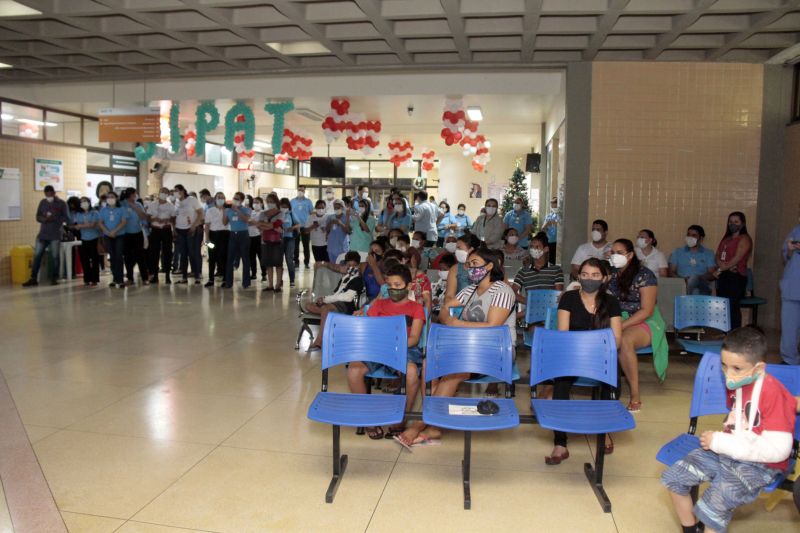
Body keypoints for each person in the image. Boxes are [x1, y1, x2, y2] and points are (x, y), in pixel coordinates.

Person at [662, 327, 795, 533]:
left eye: (736, 368)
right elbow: (739, 421)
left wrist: (720, 442)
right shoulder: (738, 383)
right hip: (730, 451)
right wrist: (721, 440)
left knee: (712, 507)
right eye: (724, 366)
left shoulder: (773, 394)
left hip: (762, 465)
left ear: (759, 368)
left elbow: (778, 450)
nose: (728, 375)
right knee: (674, 478)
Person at [397, 247, 516, 447]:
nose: (470, 268)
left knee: (454, 371)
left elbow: (492, 328)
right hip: (467, 347)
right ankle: (434, 427)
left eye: (475, 264)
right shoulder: (469, 290)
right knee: (428, 365)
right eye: (469, 265)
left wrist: (456, 323)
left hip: (496, 349)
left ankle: (420, 424)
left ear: (489, 266)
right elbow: (444, 312)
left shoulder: (503, 290)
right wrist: (450, 320)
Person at [547, 258, 622, 465]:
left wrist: (595, 349)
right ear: (579, 276)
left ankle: (603, 431)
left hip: (601, 355)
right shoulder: (569, 298)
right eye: (585, 275)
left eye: (595, 275)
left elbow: (616, 340)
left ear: (604, 278)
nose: (589, 279)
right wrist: (583, 348)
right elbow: (563, 333)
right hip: (572, 353)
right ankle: (560, 443)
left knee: (612, 381)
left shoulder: (611, 302)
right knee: (561, 387)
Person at [352, 262, 425, 440]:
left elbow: (414, 338)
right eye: (389, 286)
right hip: (378, 348)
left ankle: (400, 419)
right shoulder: (379, 305)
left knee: (412, 372)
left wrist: (394, 344)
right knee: (354, 369)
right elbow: (369, 330)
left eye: (398, 285)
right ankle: (369, 420)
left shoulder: (416, 308)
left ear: (408, 286)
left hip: (405, 349)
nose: (393, 289)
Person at [607, 238, 667, 413]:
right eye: (612, 252)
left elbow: (647, 310)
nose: (615, 256)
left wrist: (621, 326)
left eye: (619, 253)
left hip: (645, 321)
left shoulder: (645, 275)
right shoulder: (611, 273)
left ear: (630, 255)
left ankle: (635, 395)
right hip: (617, 318)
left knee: (624, 340)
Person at [307, 251, 366, 352]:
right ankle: (326, 314)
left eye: (354, 265)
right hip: (336, 303)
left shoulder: (358, 279)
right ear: (345, 265)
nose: (351, 267)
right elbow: (336, 294)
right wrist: (323, 299)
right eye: (349, 265)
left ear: (358, 266)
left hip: (347, 305)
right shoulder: (346, 277)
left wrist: (326, 300)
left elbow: (347, 297)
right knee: (308, 305)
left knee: (325, 309)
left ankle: (319, 341)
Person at [23, 185, 70, 287]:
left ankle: (54, 278)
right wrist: (44, 219)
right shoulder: (43, 202)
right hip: (42, 234)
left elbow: (67, 218)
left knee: (55, 257)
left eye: (50, 195)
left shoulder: (62, 204)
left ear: (54, 193)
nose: (48, 197)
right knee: (37, 256)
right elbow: (37, 216)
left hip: (55, 235)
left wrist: (55, 218)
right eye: (46, 195)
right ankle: (33, 278)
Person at [714, 211, 753, 330]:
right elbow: (718, 254)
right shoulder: (726, 238)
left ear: (742, 223)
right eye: (730, 222)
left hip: (736, 277)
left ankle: (734, 333)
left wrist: (721, 268)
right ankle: (723, 332)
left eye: (736, 222)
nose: (732, 224)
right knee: (722, 306)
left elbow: (737, 258)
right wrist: (720, 264)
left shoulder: (745, 239)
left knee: (732, 307)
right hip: (724, 276)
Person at [668, 225, 717, 295]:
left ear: (701, 239)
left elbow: (712, 274)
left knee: (695, 280)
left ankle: (687, 293)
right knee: (695, 291)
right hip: (682, 282)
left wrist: (697, 278)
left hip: (701, 284)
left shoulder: (708, 253)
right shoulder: (677, 252)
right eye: (688, 235)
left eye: (694, 235)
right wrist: (683, 280)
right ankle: (688, 291)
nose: (690, 237)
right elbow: (671, 272)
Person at [173, 184, 204, 285]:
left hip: (191, 230)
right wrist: (174, 229)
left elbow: (200, 213)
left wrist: (194, 225)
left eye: (177, 190)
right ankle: (184, 277)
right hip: (180, 230)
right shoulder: (177, 202)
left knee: (193, 253)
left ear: (182, 191)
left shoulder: (191, 200)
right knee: (183, 254)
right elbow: (175, 216)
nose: (175, 192)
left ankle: (197, 276)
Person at [145, 187, 176, 284]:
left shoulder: (171, 206)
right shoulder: (152, 204)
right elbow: (148, 218)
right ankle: (155, 275)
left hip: (166, 230)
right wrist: (154, 219)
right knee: (154, 253)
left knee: (167, 252)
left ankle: (167, 275)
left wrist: (168, 221)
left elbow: (173, 218)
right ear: (158, 193)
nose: (163, 194)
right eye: (162, 192)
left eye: (166, 192)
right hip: (155, 230)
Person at [98, 191, 127, 288]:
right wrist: (107, 232)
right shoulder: (103, 210)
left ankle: (121, 279)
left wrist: (114, 231)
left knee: (119, 256)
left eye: (112, 197)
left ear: (116, 198)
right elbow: (100, 223)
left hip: (119, 235)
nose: (110, 199)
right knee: (113, 257)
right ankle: (115, 278)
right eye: (108, 197)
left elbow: (123, 222)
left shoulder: (121, 209)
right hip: (108, 236)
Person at [223, 192, 252, 289]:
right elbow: (225, 223)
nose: (235, 200)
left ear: (242, 200)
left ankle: (246, 282)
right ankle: (228, 282)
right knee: (230, 258)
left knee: (245, 258)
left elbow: (246, 220)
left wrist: (238, 210)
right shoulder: (229, 210)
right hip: (233, 234)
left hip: (243, 234)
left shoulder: (246, 209)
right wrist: (224, 213)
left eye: (238, 199)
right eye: (234, 198)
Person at [780, 222, 800, 365]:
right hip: (792, 287)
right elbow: (785, 254)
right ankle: (789, 361)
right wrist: (790, 248)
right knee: (789, 330)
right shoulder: (796, 230)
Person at [121, 188, 149, 285]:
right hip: (126, 234)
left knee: (140, 255)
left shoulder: (138, 204)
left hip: (137, 232)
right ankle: (130, 278)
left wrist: (134, 206)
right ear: (130, 194)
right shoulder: (122, 204)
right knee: (127, 257)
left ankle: (145, 278)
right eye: (135, 193)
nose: (136, 195)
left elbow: (143, 217)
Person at [72, 196, 101, 286]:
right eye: (81, 202)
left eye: (85, 201)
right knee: (85, 259)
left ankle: (95, 279)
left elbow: (92, 224)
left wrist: (81, 226)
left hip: (94, 238)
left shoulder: (95, 213)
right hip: (83, 238)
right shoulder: (78, 214)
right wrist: (83, 225)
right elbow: (76, 226)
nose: (83, 203)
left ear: (89, 202)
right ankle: (87, 278)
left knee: (94, 259)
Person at [204, 192, 229, 287]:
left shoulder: (227, 210)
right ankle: (211, 279)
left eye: (222, 198)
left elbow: (226, 223)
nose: (220, 199)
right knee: (212, 257)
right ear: (215, 199)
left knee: (223, 257)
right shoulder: (210, 210)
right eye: (219, 197)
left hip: (224, 235)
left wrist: (224, 211)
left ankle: (225, 279)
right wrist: (207, 239)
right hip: (213, 235)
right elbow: (207, 225)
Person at [259, 193, 284, 292]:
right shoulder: (263, 213)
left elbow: (277, 224)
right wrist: (270, 225)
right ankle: (270, 285)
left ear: (276, 202)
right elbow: (260, 226)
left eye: (272, 202)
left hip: (277, 241)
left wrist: (266, 225)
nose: (270, 203)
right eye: (268, 202)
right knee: (268, 264)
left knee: (278, 264)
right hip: (265, 240)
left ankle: (278, 285)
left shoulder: (280, 213)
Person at [445, 233, 481, 299]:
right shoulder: (455, 269)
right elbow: (449, 296)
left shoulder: (485, 268)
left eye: (459, 248)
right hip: (459, 306)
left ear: (471, 250)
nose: (456, 251)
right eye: (456, 248)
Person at [279, 197, 300, 289]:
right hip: (279, 239)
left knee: (289, 259)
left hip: (290, 238)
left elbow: (298, 224)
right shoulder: (278, 214)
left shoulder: (291, 214)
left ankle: (292, 280)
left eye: (285, 206)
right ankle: (279, 280)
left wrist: (293, 228)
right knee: (279, 260)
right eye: (282, 206)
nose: (284, 208)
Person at [290, 186, 314, 269]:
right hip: (295, 227)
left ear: (304, 191)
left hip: (305, 227)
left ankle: (307, 262)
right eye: (299, 190)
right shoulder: (292, 201)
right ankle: (296, 262)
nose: (300, 191)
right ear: (297, 190)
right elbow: (290, 213)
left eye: (302, 190)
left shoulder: (308, 202)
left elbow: (312, 213)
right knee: (295, 246)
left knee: (306, 245)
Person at [405, 247, 432, 313]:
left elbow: (427, 300)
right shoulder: (397, 275)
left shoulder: (421, 277)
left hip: (416, 313)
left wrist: (426, 319)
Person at [248, 196, 266, 282]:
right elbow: (247, 223)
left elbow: (261, 224)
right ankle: (253, 273)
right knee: (251, 257)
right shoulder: (250, 212)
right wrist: (254, 223)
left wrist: (254, 222)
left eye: (257, 202)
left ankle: (264, 274)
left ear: (261, 204)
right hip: (250, 236)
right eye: (254, 202)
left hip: (259, 237)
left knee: (261, 256)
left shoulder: (263, 213)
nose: (255, 204)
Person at [541, 197, 559, 264]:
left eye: (555, 207)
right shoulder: (549, 216)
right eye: (552, 207)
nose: (553, 208)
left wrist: (556, 223)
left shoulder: (562, 216)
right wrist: (546, 224)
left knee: (555, 261)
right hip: (549, 241)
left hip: (558, 242)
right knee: (549, 260)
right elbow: (542, 229)